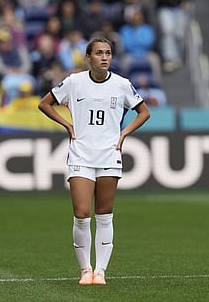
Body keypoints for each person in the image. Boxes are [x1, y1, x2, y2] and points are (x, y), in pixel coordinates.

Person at [38, 37, 150, 285]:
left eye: (108, 53)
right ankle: (84, 269)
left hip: (109, 154)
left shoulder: (122, 84)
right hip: (81, 153)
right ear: (87, 58)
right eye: (99, 53)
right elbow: (44, 104)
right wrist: (67, 124)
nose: (104, 57)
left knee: (105, 214)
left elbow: (144, 111)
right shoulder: (74, 82)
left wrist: (124, 133)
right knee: (81, 213)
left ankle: (100, 271)